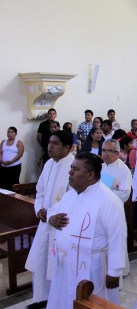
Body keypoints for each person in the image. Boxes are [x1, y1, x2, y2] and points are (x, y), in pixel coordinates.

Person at [46, 153, 127, 308]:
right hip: (64, 264)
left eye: (75, 169)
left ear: (90, 175)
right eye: (71, 168)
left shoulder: (108, 200)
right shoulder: (70, 195)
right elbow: (53, 210)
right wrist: (51, 218)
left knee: (89, 303)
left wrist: (114, 271)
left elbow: (117, 236)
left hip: (90, 266)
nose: (70, 173)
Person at [25, 131, 74, 309]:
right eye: (49, 142)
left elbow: (73, 197)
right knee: (41, 261)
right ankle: (40, 299)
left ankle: (56, 302)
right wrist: (39, 210)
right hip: (45, 222)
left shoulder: (74, 166)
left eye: (55, 143)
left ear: (67, 147)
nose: (50, 146)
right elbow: (41, 191)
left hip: (61, 224)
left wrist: (52, 213)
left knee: (57, 265)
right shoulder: (48, 164)